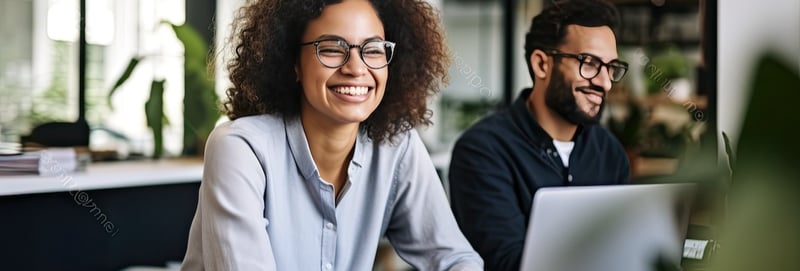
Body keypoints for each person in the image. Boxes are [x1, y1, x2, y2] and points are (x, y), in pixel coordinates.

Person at [180, 0, 483, 270]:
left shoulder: (396, 146)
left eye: (374, 49)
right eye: (332, 49)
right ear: (293, 63)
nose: (356, 68)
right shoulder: (241, 148)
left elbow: (455, 258)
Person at [448, 0, 631, 270]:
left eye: (611, 68)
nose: (604, 82)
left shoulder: (610, 152)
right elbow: (508, 263)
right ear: (542, 64)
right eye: (590, 63)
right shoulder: (482, 151)